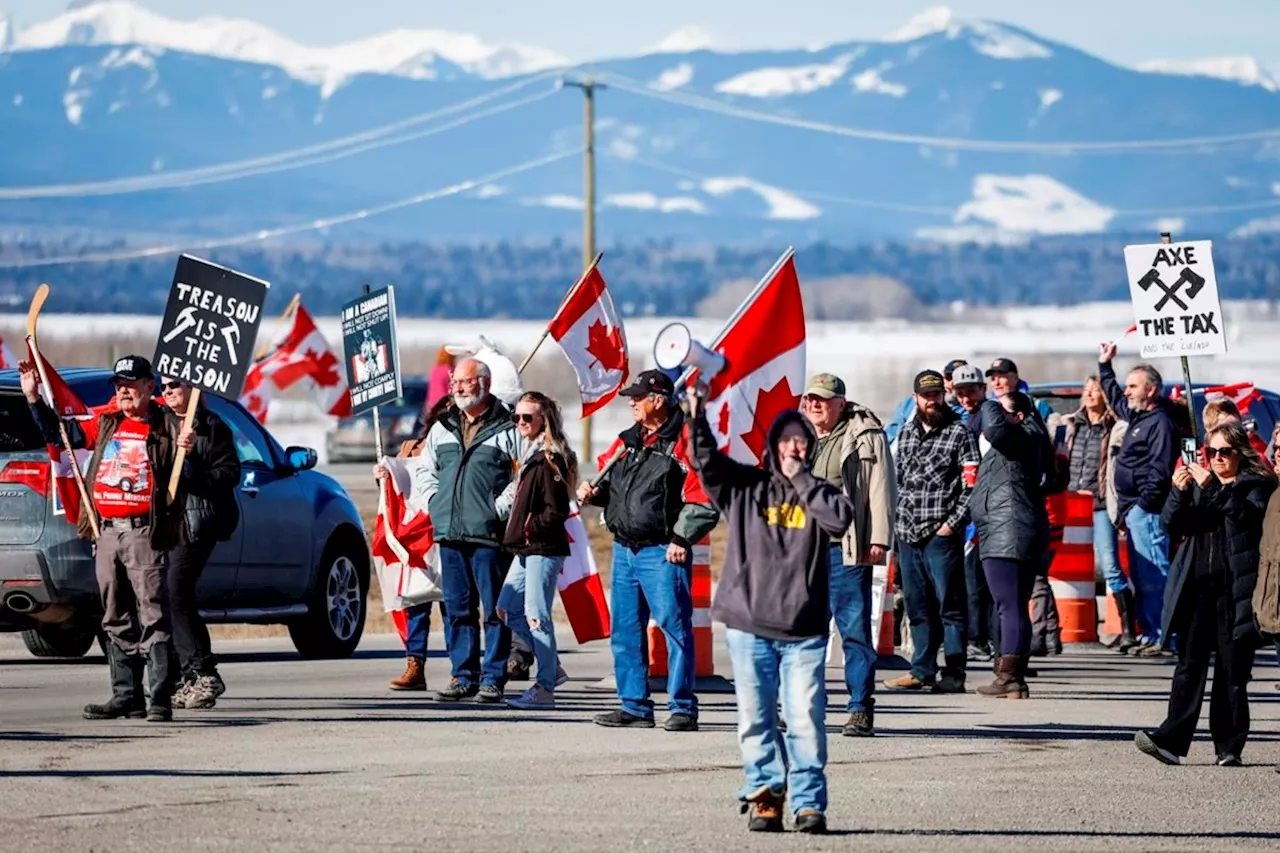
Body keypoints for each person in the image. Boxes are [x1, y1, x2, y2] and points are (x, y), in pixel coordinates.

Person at [688, 394, 853, 835]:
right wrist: (695, 412)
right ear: (772, 447)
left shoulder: (822, 493)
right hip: (748, 625)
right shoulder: (745, 487)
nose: (793, 447)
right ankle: (765, 797)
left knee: (804, 720)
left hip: (803, 630)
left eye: (801, 441)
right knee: (756, 719)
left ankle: (808, 805)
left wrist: (802, 480)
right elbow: (704, 461)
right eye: (786, 440)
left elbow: (839, 521)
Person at [21, 355, 187, 722]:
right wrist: (34, 399)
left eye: (130, 383)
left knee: (153, 611)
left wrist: (193, 441)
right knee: (113, 613)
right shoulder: (107, 424)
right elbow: (62, 437)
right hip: (108, 530)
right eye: (119, 385)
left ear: (148, 386)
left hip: (145, 531)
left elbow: (199, 461)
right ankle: (126, 696)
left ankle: (159, 697)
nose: (123, 391)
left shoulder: (169, 426)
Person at [579, 370, 719, 732]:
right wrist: (594, 494)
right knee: (625, 631)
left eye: (638, 397)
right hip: (625, 549)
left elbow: (703, 500)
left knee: (675, 629)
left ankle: (683, 708)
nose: (631, 402)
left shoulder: (685, 440)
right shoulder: (629, 441)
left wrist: (681, 538)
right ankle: (635, 706)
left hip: (663, 551)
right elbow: (610, 484)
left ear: (658, 400)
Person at [1134, 422, 1275, 766]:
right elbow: (1173, 525)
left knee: (1231, 671)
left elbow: (1241, 517)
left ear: (1240, 453)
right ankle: (1170, 740)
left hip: (1234, 591)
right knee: (1189, 666)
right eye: (1211, 452)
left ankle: (1229, 746)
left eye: (1224, 451)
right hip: (1197, 589)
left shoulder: (1256, 486)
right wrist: (1178, 493)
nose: (1216, 458)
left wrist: (1210, 486)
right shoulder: (1201, 484)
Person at [410, 358, 521, 703]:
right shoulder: (442, 427)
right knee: (457, 609)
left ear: (484, 383)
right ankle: (463, 675)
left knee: (493, 610)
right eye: (453, 382)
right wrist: (435, 502)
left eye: (463, 381)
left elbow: (523, 474)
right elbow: (424, 470)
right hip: (449, 533)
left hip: (488, 535)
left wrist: (497, 509)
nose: (456, 388)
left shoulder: (508, 427)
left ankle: (493, 677)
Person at [801, 373, 894, 738]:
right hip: (804, 554)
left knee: (853, 633)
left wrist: (879, 539)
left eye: (822, 399)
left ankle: (859, 709)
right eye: (810, 399)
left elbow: (881, 489)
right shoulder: (799, 437)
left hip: (845, 549)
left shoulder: (865, 436)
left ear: (841, 402)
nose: (814, 405)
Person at [885, 370, 979, 693]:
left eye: (937, 395)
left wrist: (952, 524)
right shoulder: (908, 433)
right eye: (926, 396)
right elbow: (897, 480)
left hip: (941, 535)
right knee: (917, 606)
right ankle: (922, 669)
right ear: (916, 399)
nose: (932, 401)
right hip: (908, 534)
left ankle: (954, 673)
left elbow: (972, 486)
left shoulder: (959, 433)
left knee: (950, 607)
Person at [160, 379, 241, 711]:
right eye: (163, 386)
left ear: (194, 389)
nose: (167, 391)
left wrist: (191, 460)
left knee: (176, 589)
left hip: (196, 521)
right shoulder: (160, 422)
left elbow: (229, 474)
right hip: (161, 521)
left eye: (175, 385)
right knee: (164, 596)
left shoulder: (212, 427)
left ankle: (205, 672)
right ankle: (185, 677)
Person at [1098, 342, 1179, 655]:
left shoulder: (1160, 423)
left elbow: (1160, 471)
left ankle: (1165, 636)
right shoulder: (1136, 418)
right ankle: (1149, 633)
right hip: (1133, 511)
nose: (1128, 391)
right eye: (1128, 385)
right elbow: (1115, 398)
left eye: (1134, 386)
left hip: (1148, 512)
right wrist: (1105, 366)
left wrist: (1142, 506)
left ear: (1152, 390)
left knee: (1156, 575)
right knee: (1142, 576)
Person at [497, 392, 575, 710]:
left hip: (542, 547)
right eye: (516, 417)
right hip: (525, 548)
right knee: (506, 608)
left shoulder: (551, 456)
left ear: (544, 419)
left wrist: (529, 529)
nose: (520, 423)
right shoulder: (529, 452)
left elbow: (556, 511)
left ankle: (544, 688)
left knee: (536, 615)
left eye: (527, 417)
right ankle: (550, 665)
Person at [972, 392, 1053, 699]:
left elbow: (993, 428)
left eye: (1001, 409)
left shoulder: (1019, 434)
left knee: (1010, 606)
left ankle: (1009, 677)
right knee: (1014, 606)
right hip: (1015, 529)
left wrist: (990, 401)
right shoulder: (1028, 436)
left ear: (1018, 416)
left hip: (1008, 531)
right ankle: (1013, 677)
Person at [382, 394, 454, 692]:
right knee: (417, 602)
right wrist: (384, 476)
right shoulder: (412, 447)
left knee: (455, 605)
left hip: (449, 530)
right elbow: (400, 489)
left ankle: (460, 670)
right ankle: (415, 664)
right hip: (417, 538)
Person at [1066, 376, 1133, 652]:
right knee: (1067, 570)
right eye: (1087, 389)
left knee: (1110, 566)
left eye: (1096, 390)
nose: (1090, 394)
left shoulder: (1115, 427)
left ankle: (1127, 629)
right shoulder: (1070, 424)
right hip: (1071, 501)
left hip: (1100, 503)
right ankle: (1075, 628)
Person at [952, 365, 995, 661]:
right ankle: (975, 635)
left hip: (982, 508)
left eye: (971, 390)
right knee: (967, 579)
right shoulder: (962, 419)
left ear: (983, 389)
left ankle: (979, 638)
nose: (967, 397)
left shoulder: (988, 417)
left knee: (976, 580)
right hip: (963, 507)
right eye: (961, 392)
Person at [885, 359, 969, 443]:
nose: (951, 383)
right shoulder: (908, 404)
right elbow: (892, 431)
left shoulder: (964, 412)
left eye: (957, 380)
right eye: (948, 377)